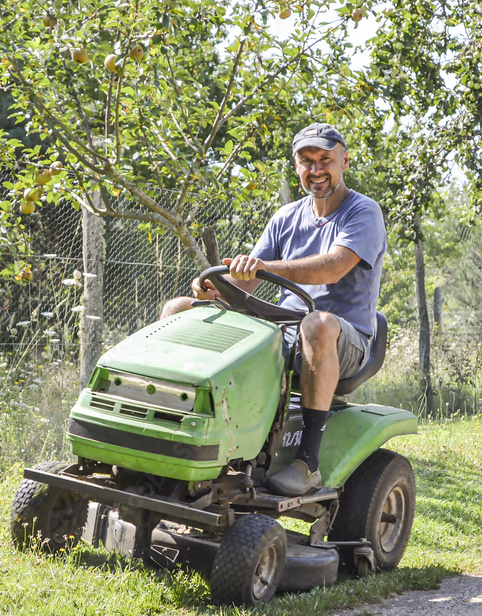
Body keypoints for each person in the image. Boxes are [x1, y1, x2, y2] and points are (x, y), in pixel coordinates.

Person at [160, 122, 386, 496]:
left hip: (344, 339)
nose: (316, 169)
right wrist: (213, 290)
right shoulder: (286, 217)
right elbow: (246, 283)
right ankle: (172, 426)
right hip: (282, 332)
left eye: (325, 159)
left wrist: (265, 267)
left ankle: (307, 462)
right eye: (306, 161)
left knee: (317, 323)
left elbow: (333, 266)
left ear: (344, 161)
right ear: (296, 166)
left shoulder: (363, 212)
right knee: (179, 309)